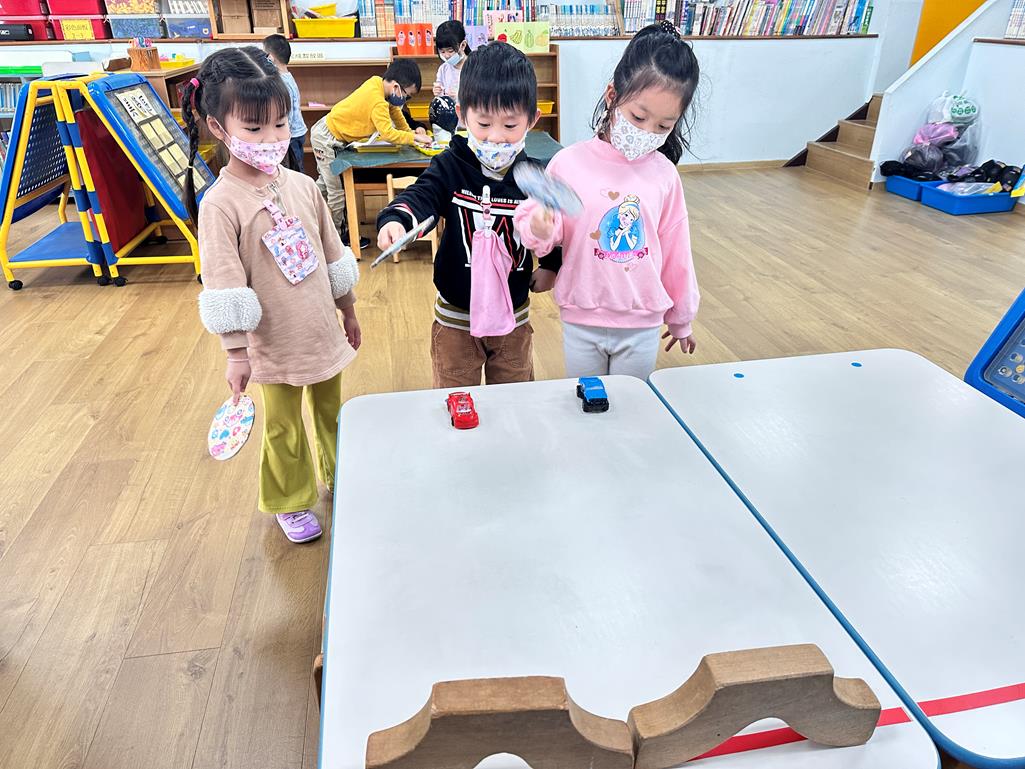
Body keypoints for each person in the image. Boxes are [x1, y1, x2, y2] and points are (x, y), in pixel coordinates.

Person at [182, 47, 361, 544]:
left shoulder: (302, 185)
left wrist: (348, 309)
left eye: (281, 124)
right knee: (283, 427)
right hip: (273, 343)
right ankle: (290, 500)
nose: (272, 138)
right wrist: (235, 353)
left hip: (321, 329)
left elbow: (333, 252)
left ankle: (342, 474)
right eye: (255, 128)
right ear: (218, 127)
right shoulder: (220, 205)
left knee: (333, 413)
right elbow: (224, 284)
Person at [514, 22, 700, 380]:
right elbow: (543, 233)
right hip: (582, 318)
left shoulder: (664, 175)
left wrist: (681, 318)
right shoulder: (568, 163)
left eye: (663, 126)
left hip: (643, 322)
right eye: (638, 117)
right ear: (613, 95)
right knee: (587, 400)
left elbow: (677, 251)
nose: (647, 132)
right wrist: (540, 225)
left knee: (631, 403)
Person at [376, 42, 562, 388]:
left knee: (514, 394)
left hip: (513, 315)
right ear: (462, 115)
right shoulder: (450, 165)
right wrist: (397, 218)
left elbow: (557, 228)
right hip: (456, 316)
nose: (496, 137)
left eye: (510, 125)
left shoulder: (534, 177)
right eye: (484, 123)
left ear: (532, 120)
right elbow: (423, 194)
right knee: (455, 393)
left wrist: (551, 264)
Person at [310, 59, 432, 247]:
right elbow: (388, 133)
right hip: (327, 139)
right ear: (396, 87)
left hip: (328, 133)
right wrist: (414, 138)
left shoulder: (378, 84)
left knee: (325, 185)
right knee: (336, 192)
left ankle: (303, 211)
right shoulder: (378, 102)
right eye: (407, 96)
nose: (405, 100)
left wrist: (410, 133)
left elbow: (396, 115)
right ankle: (338, 239)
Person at [263, 33, 306, 172]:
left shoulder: (281, 82)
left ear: (270, 57)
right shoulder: (288, 76)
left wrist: (282, 136)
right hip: (296, 133)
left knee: (293, 172)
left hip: (291, 136)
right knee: (296, 169)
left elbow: (287, 113)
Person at [433, 20, 467, 101]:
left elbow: (480, 96)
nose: (446, 56)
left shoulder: (474, 67)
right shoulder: (443, 69)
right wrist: (438, 92)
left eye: (450, 51)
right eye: (442, 51)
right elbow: (441, 94)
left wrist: (460, 96)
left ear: (463, 45)